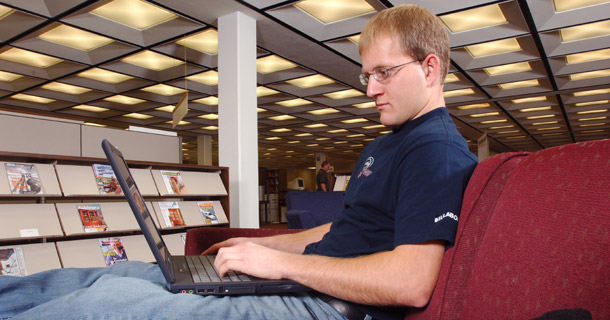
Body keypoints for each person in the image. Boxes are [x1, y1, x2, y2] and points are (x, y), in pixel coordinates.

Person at [0, 5, 477, 320]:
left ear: (430, 68)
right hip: (307, 286)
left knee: (107, 304)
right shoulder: (385, 144)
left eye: (384, 73)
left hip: (328, 307)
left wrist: (278, 266)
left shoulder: (435, 149)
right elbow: (339, 233)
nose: (370, 89)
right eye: (367, 74)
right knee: (113, 275)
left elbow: (411, 282)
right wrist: (250, 248)